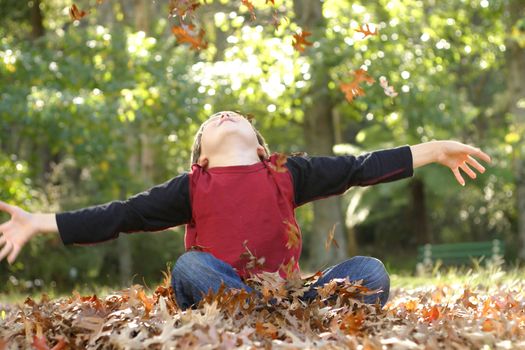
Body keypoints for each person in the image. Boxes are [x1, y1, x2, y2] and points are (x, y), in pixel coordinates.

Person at [0, 111, 491, 309]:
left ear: (260, 146)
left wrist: (434, 149)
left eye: (235, 116)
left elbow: (359, 168)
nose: (225, 114)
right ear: (202, 156)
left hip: (288, 300)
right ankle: (256, 318)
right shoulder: (192, 186)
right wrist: (39, 221)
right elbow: (121, 215)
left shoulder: (286, 173)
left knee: (370, 271)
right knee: (190, 267)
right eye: (215, 119)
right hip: (221, 300)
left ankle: (279, 317)